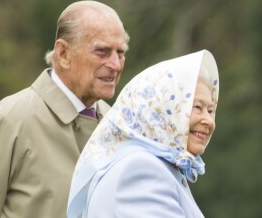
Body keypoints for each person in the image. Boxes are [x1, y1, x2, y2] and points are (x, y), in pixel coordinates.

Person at [0, 0, 129, 218]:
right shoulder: (10, 119)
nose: (115, 65)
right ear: (63, 54)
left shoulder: (118, 126)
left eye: (120, 52)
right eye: (102, 52)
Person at [67, 49, 219, 218]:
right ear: (161, 108)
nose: (209, 121)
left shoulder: (156, 166)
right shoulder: (141, 169)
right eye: (197, 107)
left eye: (211, 110)